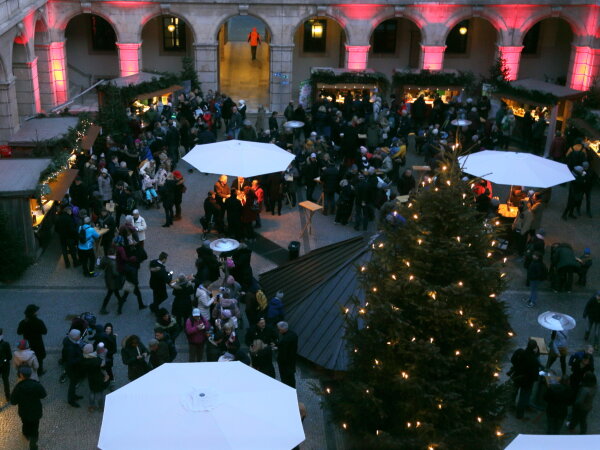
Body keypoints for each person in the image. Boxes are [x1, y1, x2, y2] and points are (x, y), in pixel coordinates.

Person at [10, 366, 47, 450]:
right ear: (30, 375)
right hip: (36, 411)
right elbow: (43, 395)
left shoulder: (18, 387)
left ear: (21, 375)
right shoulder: (36, 385)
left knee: (25, 424)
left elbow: (13, 402)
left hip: (24, 411)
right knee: (35, 427)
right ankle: (33, 445)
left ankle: (26, 434)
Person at [511, 339, 542, 419]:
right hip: (527, 381)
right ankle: (519, 415)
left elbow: (513, 360)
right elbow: (535, 374)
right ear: (534, 347)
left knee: (513, 392)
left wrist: (517, 367)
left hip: (517, 376)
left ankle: (511, 406)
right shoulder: (534, 360)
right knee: (523, 398)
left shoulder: (520, 352)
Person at [81, 343, 108, 412]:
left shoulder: (84, 359)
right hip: (98, 377)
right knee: (100, 393)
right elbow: (103, 366)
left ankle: (91, 406)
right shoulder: (96, 360)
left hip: (91, 378)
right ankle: (101, 406)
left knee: (92, 392)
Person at [98, 247, 124, 315]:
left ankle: (120, 299)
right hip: (113, 280)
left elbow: (101, 266)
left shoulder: (105, 259)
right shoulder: (114, 262)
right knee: (110, 293)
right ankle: (103, 308)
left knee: (114, 290)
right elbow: (116, 273)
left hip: (108, 278)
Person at [62, 329, 83, 407]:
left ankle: (74, 396)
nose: (80, 336)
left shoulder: (70, 342)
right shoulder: (71, 348)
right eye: (79, 335)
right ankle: (71, 400)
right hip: (72, 369)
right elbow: (71, 361)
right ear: (74, 337)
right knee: (72, 384)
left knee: (73, 384)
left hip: (72, 368)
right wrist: (81, 358)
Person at [276, 321, 298, 388]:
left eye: (279, 329)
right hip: (291, 361)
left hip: (285, 364)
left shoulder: (285, 339)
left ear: (283, 328)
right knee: (291, 378)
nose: (279, 331)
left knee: (285, 379)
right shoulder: (293, 335)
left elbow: (283, 353)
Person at [0, 329, 11, 401]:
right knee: (5, 380)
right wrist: (5, 360)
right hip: (4, 365)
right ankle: (8, 396)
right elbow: (9, 357)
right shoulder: (6, 344)